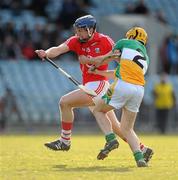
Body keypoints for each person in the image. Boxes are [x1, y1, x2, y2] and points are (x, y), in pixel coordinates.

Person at [35, 15, 153, 163]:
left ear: (91, 30)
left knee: (64, 102)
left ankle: (65, 141)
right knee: (118, 128)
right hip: (90, 85)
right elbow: (58, 49)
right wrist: (46, 53)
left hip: (100, 84)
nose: (78, 33)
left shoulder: (105, 40)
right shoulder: (75, 41)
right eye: (76, 30)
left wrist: (92, 63)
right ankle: (142, 149)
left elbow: (119, 58)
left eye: (81, 30)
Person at [87, 27, 151, 167]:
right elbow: (117, 71)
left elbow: (110, 56)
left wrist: (95, 63)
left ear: (131, 36)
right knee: (127, 128)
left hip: (123, 85)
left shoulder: (124, 42)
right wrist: (98, 72)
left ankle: (111, 139)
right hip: (139, 90)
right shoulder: (146, 57)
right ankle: (140, 158)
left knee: (98, 110)